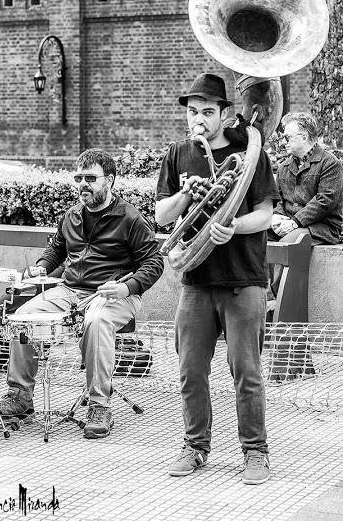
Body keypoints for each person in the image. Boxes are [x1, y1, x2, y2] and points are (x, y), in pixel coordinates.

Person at [155, 73, 279, 485]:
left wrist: (236, 226)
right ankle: (195, 446)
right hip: (197, 278)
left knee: (246, 371)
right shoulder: (177, 154)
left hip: (244, 278)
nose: (199, 121)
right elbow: (162, 216)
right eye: (193, 112)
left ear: (225, 114)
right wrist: (189, 195)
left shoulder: (250, 152)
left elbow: (265, 213)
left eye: (208, 112)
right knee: (190, 371)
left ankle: (255, 452)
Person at [0, 148, 164, 439]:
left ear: (109, 181)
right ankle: (21, 398)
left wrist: (126, 287)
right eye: (79, 178)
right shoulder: (71, 215)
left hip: (115, 293)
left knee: (96, 322)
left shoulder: (131, 218)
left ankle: (100, 406)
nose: (83, 184)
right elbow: (56, 250)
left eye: (91, 178)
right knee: (24, 318)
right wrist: (41, 267)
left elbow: (154, 262)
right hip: (70, 289)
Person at [269, 111, 343, 298]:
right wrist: (277, 218)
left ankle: (278, 299)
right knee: (257, 237)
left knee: (288, 242)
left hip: (323, 227)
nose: (283, 141)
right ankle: (262, 292)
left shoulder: (330, 164)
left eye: (287, 137)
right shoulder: (285, 166)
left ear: (303, 136)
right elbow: (279, 200)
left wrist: (294, 222)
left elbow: (325, 201)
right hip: (291, 223)